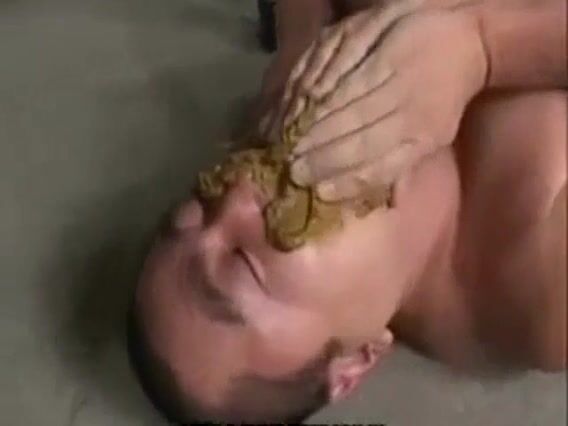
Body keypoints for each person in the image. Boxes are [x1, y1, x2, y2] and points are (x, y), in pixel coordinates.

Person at [128, 0, 566, 424]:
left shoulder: (301, 91)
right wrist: (484, 47)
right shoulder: (543, 288)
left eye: (205, 201)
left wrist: (302, 40)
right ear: (355, 362)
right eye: (243, 263)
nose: (242, 193)